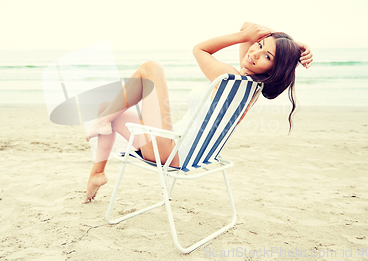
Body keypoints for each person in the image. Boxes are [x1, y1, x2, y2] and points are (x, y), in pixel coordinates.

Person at [83, 22, 313, 203]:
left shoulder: (230, 79)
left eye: (267, 56)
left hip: (170, 151)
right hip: (180, 148)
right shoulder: (249, 87)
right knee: (111, 111)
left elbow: (200, 48)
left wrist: (255, 39)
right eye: (260, 45)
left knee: (151, 68)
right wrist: (289, 44)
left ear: (275, 69)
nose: (254, 52)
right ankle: (98, 173)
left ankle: (101, 122)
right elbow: (249, 26)